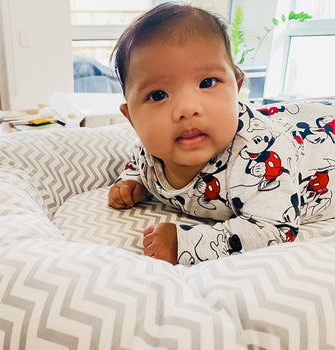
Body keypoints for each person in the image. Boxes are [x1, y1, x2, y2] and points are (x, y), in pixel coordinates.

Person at [108, 3, 335, 266]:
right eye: (158, 95)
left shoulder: (260, 155)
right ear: (132, 119)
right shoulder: (150, 152)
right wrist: (132, 181)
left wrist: (186, 244)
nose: (187, 109)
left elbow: (276, 229)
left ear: (236, 88)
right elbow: (137, 164)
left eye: (207, 83)